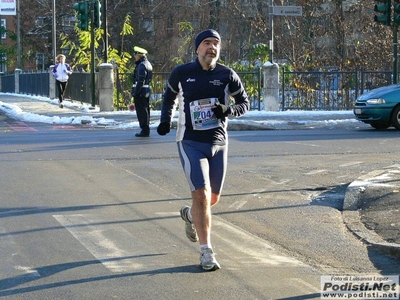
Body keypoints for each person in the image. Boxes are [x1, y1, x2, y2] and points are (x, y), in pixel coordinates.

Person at [157, 29, 249, 271]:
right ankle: (206, 252)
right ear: (197, 48)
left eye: (216, 44)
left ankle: (190, 215)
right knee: (201, 195)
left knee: (212, 199)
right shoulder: (182, 72)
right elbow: (169, 98)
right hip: (190, 142)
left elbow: (244, 103)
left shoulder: (227, 74)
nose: (212, 47)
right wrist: (165, 120)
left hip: (219, 143)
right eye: (207, 43)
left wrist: (227, 111)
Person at [131, 46, 153, 137]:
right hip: (145, 91)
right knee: (145, 110)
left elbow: (140, 81)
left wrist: (135, 92)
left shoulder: (141, 65)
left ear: (139, 55)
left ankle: (144, 129)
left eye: (135, 55)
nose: (134, 57)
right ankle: (146, 128)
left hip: (141, 92)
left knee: (141, 112)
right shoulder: (147, 64)